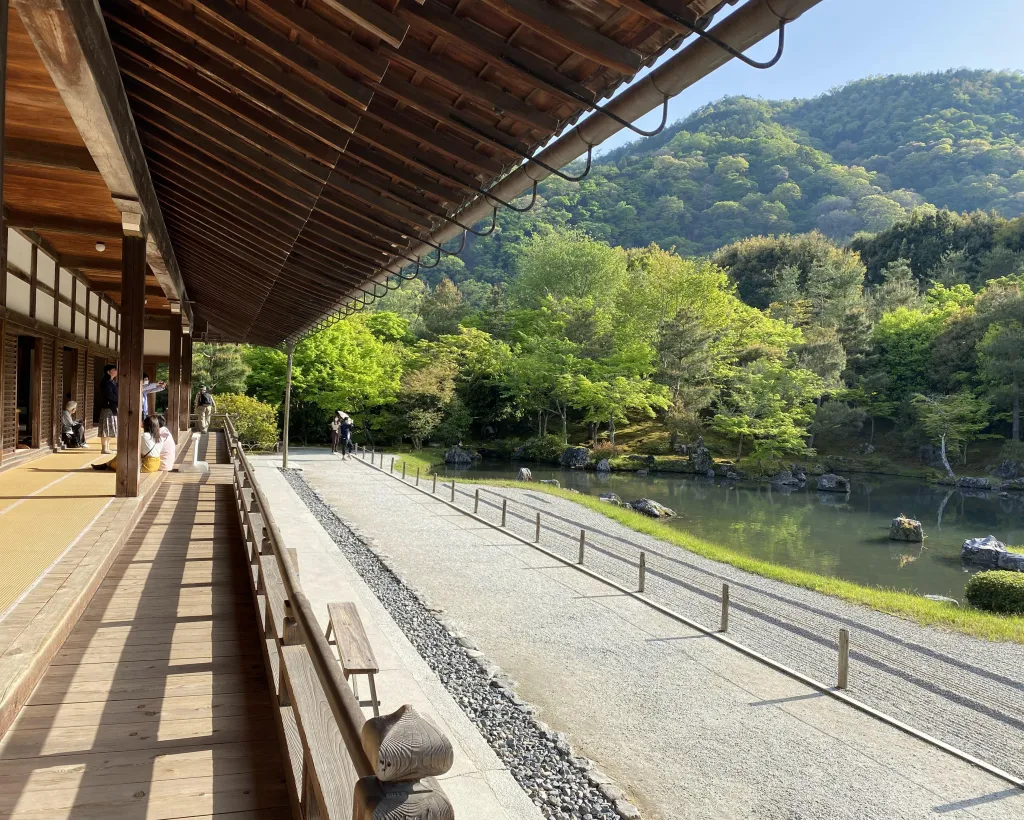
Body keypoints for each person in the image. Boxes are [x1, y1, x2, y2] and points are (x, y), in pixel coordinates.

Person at [92, 415, 162, 472]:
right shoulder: (159, 437)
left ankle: (107, 464)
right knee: (122, 457)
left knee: (117, 463)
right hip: (156, 464)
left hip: (147, 465)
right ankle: (107, 464)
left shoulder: (144, 436)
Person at [98, 364, 118, 454]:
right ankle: (104, 448)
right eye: (114, 369)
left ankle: (107, 448)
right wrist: (119, 400)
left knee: (110, 428)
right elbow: (109, 395)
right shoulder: (105, 382)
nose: (116, 371)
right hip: (107, 407)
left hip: (113, 407)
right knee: (105, 429)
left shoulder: (113, 382)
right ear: (109, 371)